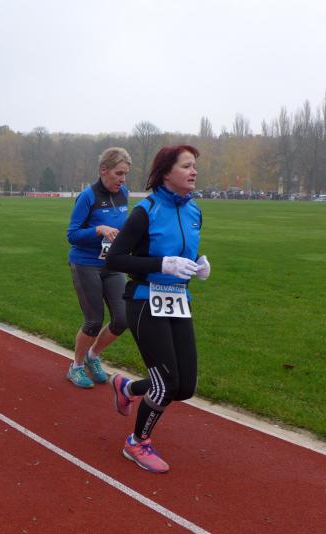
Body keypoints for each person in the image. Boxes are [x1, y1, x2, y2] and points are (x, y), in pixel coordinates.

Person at [105, 145, 210, 474]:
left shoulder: (195, 211)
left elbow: (184, 251)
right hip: (144, 300)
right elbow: (115, 259)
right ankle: (137, 442)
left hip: (178, 302)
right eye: (186, 166)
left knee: (184, 387)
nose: (193, 172)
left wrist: (198, 265)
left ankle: (128, 388)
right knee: (165, 383)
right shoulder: (145, 211)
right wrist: (161, 264)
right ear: (166, 173)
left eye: (194, 166)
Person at [65, 148, 131, 388]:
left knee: (123, 318)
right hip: (86, 264)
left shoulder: (123, 193)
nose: (123, 179)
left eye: (125, 174)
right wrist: (99, 230)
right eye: (118, 173)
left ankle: (93, 356)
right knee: (93, 321)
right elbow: (72, 235)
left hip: (112, 264)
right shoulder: (88, 197)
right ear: (104, 170)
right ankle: (76, 367)